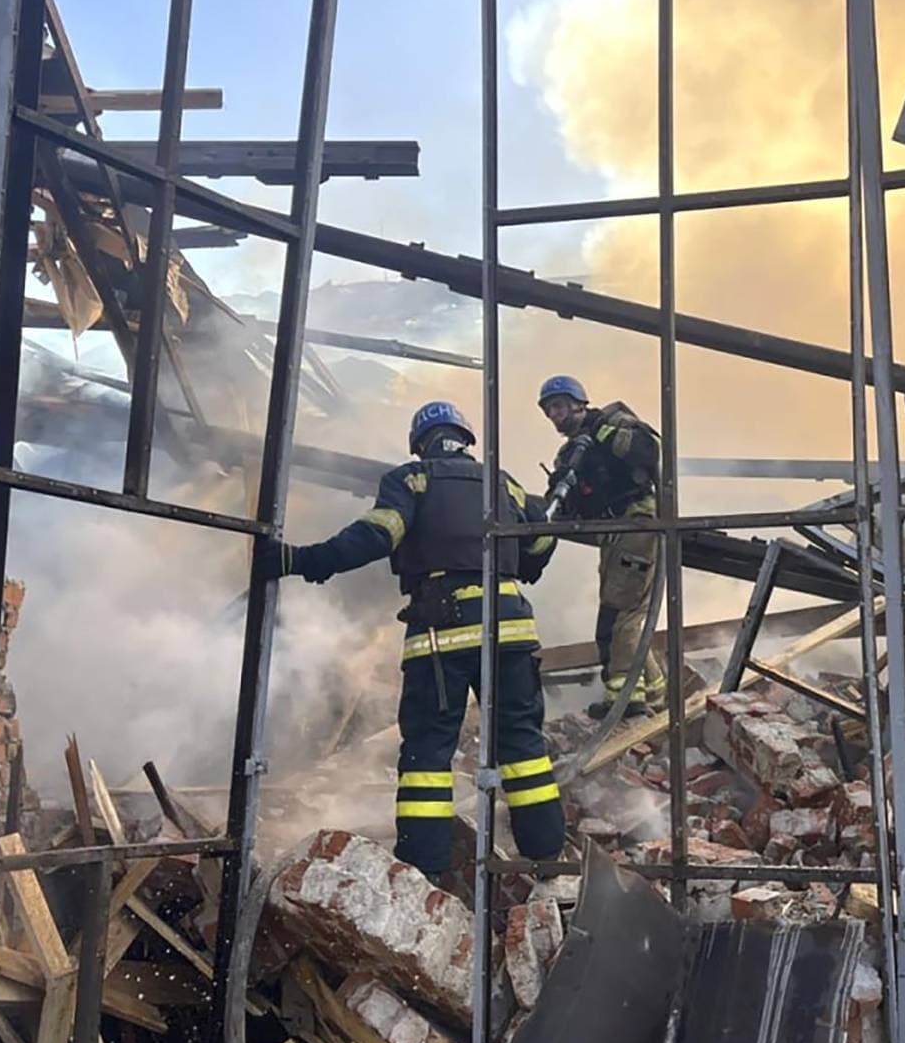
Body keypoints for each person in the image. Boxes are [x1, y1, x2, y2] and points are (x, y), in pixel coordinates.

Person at [253, 400, 565, 881]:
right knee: (523, 746)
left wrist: (303, 560)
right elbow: (543, 533)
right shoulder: (501, 481)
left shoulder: (412, 480)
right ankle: (546, 859)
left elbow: (378, 535)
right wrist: (522, 564)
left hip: (441, 634)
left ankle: (425, 873)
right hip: (510, 628)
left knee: (428, 757)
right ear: (465, 438)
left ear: (420, 444)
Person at [536, 374, 669, 719]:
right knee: (624, 613)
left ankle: (624, 698)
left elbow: (648, 451)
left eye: (560, 406)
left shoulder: (612, 424)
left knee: (618, 615)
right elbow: (573, 506)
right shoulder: (570, 454)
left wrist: (610, 436)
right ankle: (654, 691)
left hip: (637, 523)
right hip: (613, 533)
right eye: (550, 410)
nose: (555, 416)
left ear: (579, 402)